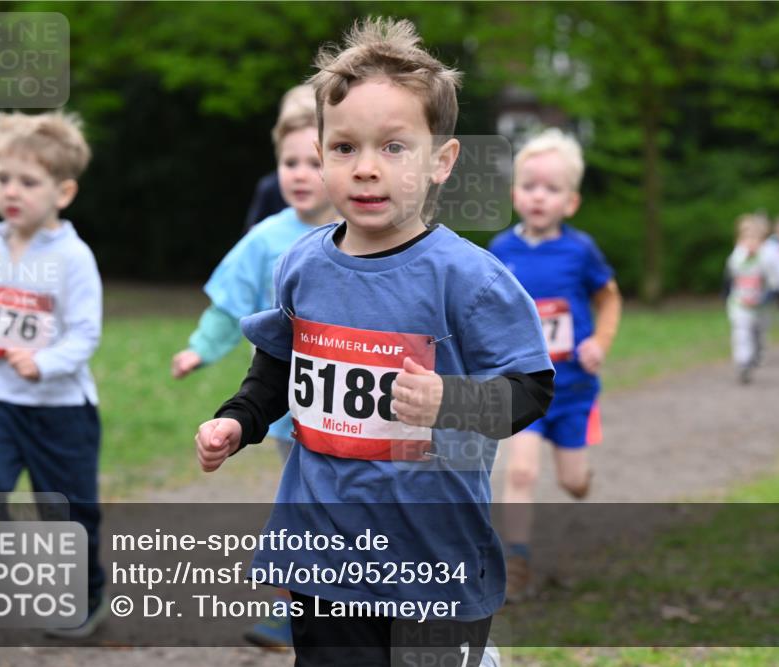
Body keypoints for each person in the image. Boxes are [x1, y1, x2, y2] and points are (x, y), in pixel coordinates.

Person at [194, 17, 553, 667]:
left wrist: (452, 400)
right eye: (344, 148)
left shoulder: (468, 279)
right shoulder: (302, 266)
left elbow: (531, 389)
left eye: (393, 147)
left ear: (441, 160)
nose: (365, 168)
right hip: (324, 550)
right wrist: (239, 418)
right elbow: (278, 361)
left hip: (433, 552)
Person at [171, 83, 335, 648]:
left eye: (314, 161)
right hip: (285, 405)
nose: (299, 173)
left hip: (351, 407)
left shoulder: (360, 233)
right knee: (305, 503)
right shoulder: (266, 238)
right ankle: (304, 611)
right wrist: (201, 347)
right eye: (288, 162)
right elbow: (229, 298)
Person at [0, 111, 107, 638]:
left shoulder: (74, 258)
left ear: (63, 192)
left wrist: (41, 364)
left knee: (67, 514)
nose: (11, 191)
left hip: (61, 413)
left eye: (28, 181)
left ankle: (85, 596)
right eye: (3, 179)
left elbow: (84, 336)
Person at [488, 128, 621, 602]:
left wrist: (600, 342)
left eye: (551, 189)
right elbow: (488, 309)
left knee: (572, 481)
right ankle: (516, 561)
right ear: (514, 193)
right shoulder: (501, 251)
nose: (538, 196)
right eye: (529, 186)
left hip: (575, 389)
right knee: (520, 472)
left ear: (571, 201)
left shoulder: (580, 250)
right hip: (525, 386)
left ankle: (582, 479)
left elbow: (608, 299)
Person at [725, 214, 779, 384]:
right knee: (741, 330)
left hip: (762, 303)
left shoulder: (771, 254)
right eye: (746, 237)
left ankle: (758, 351)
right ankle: (743, 362)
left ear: (763, 239)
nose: (750, 242)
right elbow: (730, 275)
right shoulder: (737, 255)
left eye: (755, 238)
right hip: (741, 303)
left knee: (759, 331)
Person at [241, 86, 317, 232]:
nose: (300, 175)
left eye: (315, 164)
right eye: (291, 163)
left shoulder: (355, 226)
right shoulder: (265, 235)